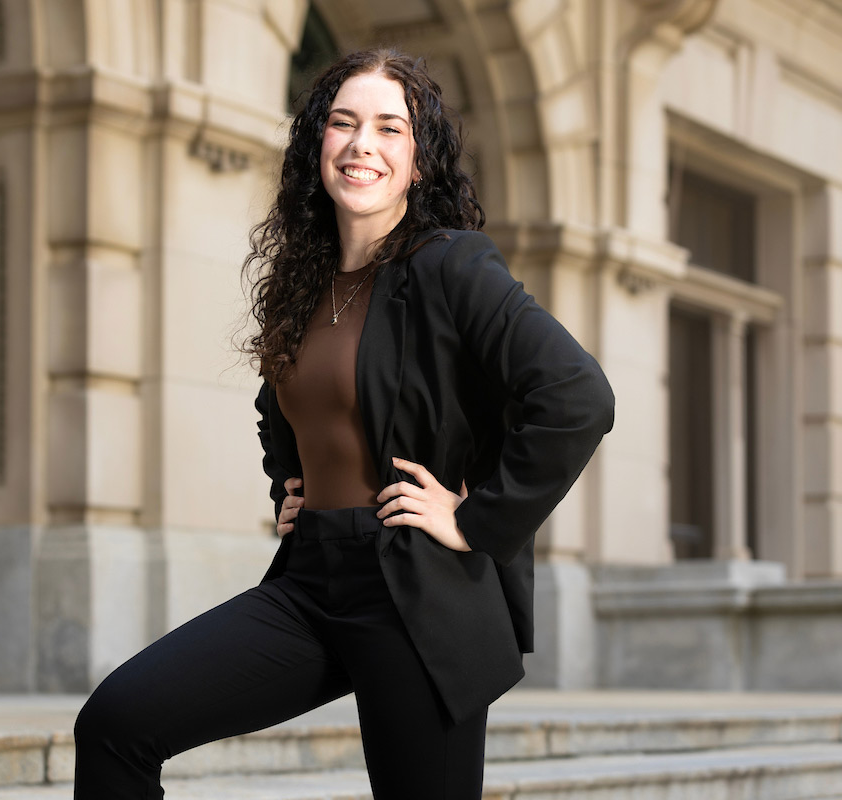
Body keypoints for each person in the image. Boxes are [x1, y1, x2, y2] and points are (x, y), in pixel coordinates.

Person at [73, 48, 614, 798]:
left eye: (391, 129)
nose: (363, 144)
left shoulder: (450, 266)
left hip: (417, 588)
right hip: (312, 580)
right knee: (116, 724)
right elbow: (281, 410)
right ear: (317, 146)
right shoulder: (304, 281)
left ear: (419, 163)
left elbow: (577, 394)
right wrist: (288, 486)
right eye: (343, 123)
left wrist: (477, 520)